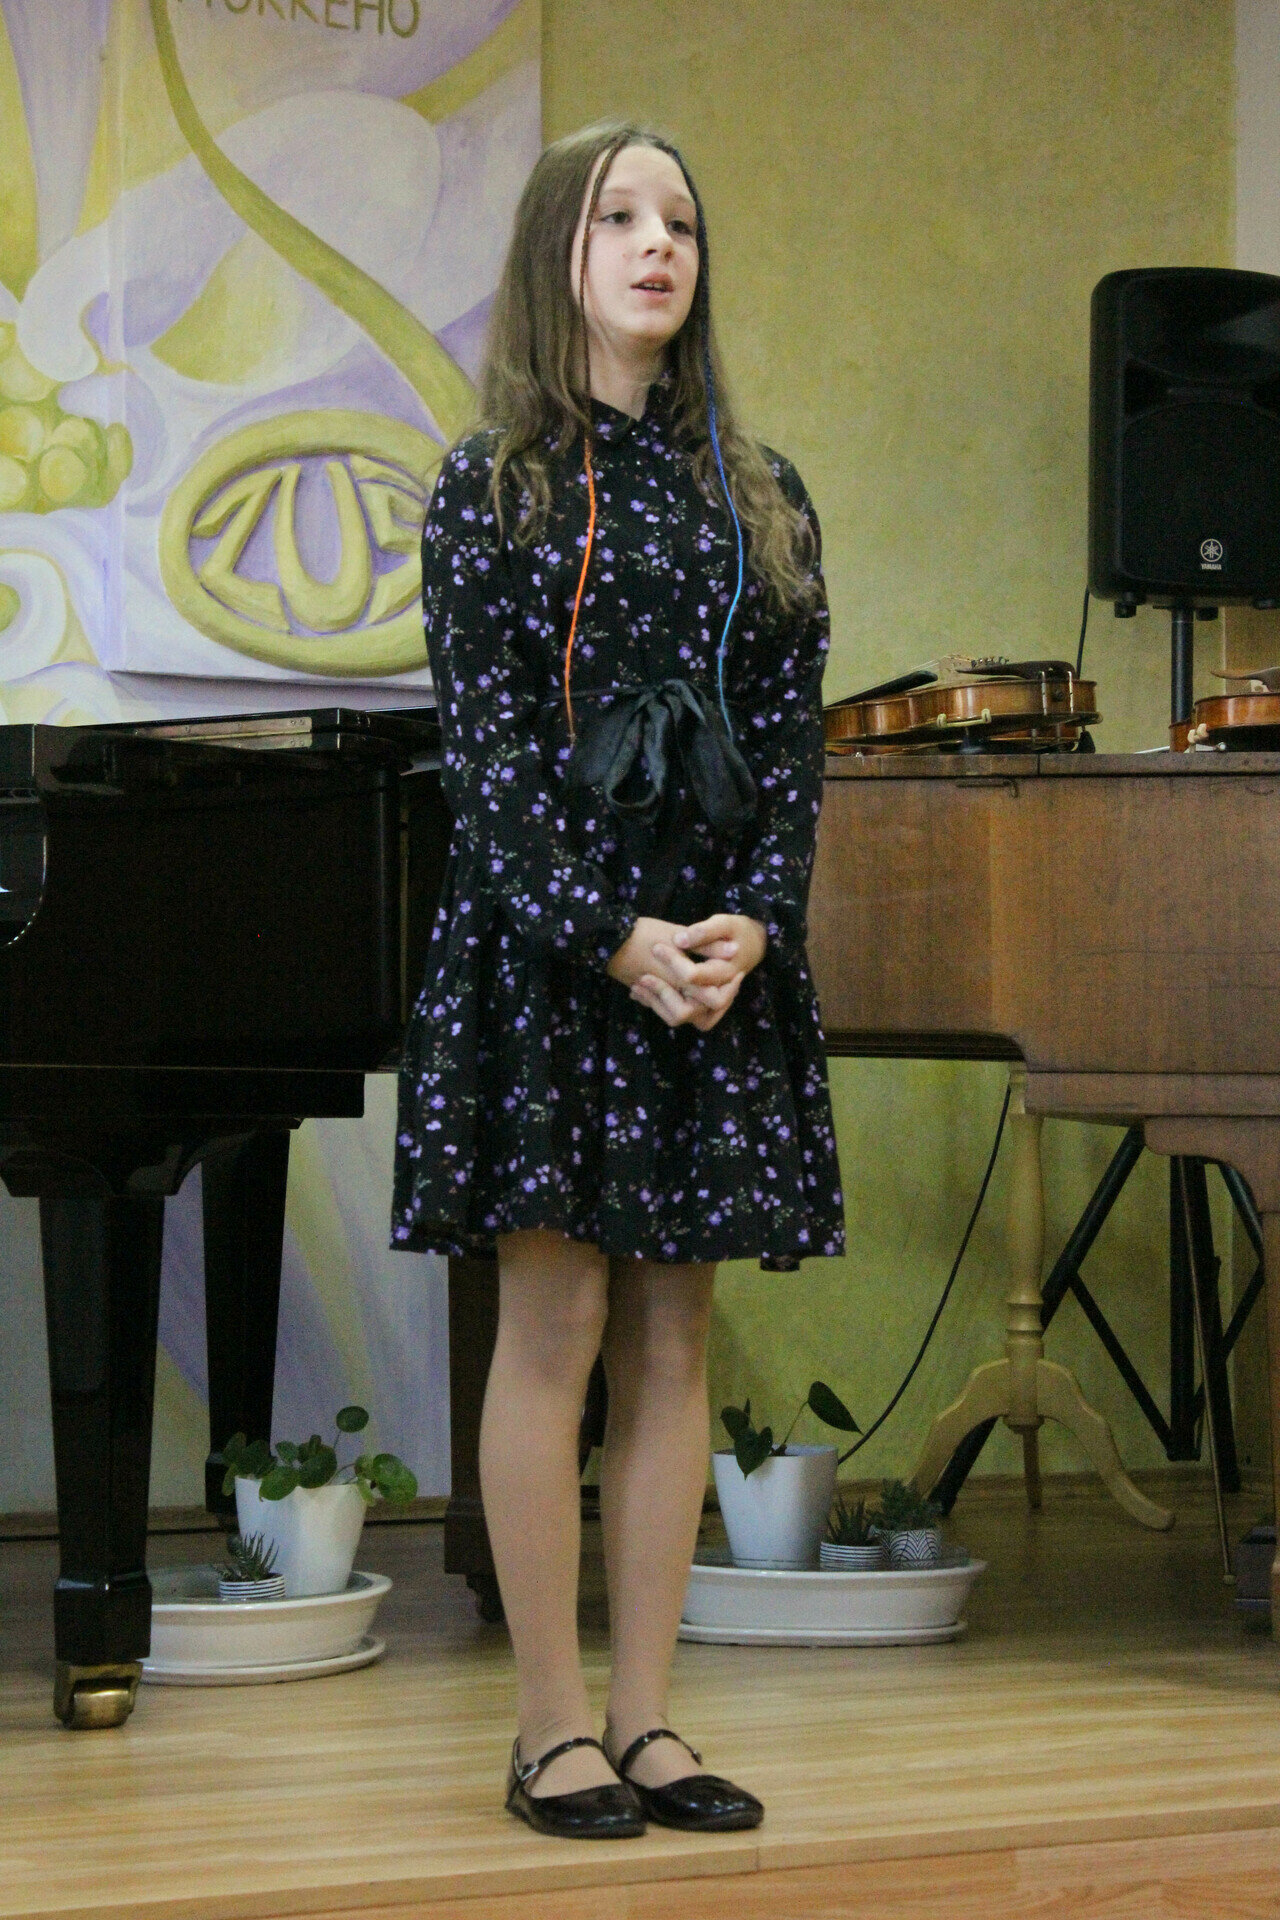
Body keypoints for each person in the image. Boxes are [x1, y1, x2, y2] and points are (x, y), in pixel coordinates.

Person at [393, 120, 845, 1840]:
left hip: (712, 963)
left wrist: (755, 923)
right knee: (558, 1324)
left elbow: (789, 748)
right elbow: (490, 763)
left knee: (674, 1333)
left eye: (682, 222)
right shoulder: (490, 484)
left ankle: (649, 1724)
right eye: (620, 217)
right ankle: (549, 1731)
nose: (661, 244)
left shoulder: (765, 491)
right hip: (556, 956)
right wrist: (610, 935)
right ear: (556, 255)